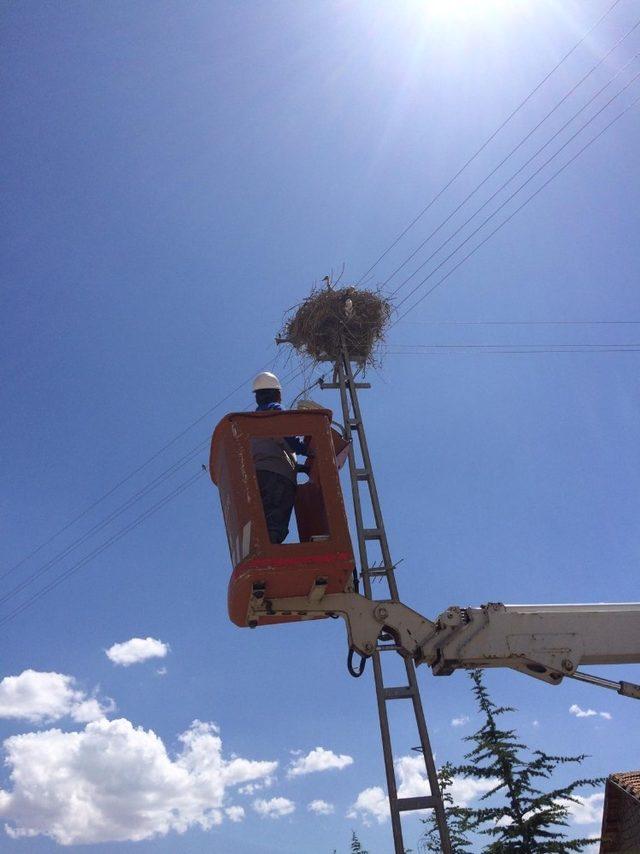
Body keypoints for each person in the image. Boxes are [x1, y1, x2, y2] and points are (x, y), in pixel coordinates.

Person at [251, 372, 310, 544]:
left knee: (262, 518)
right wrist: (307, 450)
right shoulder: (276, 410)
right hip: (278, 477)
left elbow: (272, 448)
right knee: (276, 520)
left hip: (259, 474)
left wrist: (299, 467)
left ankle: (261, 548)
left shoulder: (252, 421)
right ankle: (270, 549)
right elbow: (288, 438)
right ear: (277, 393)